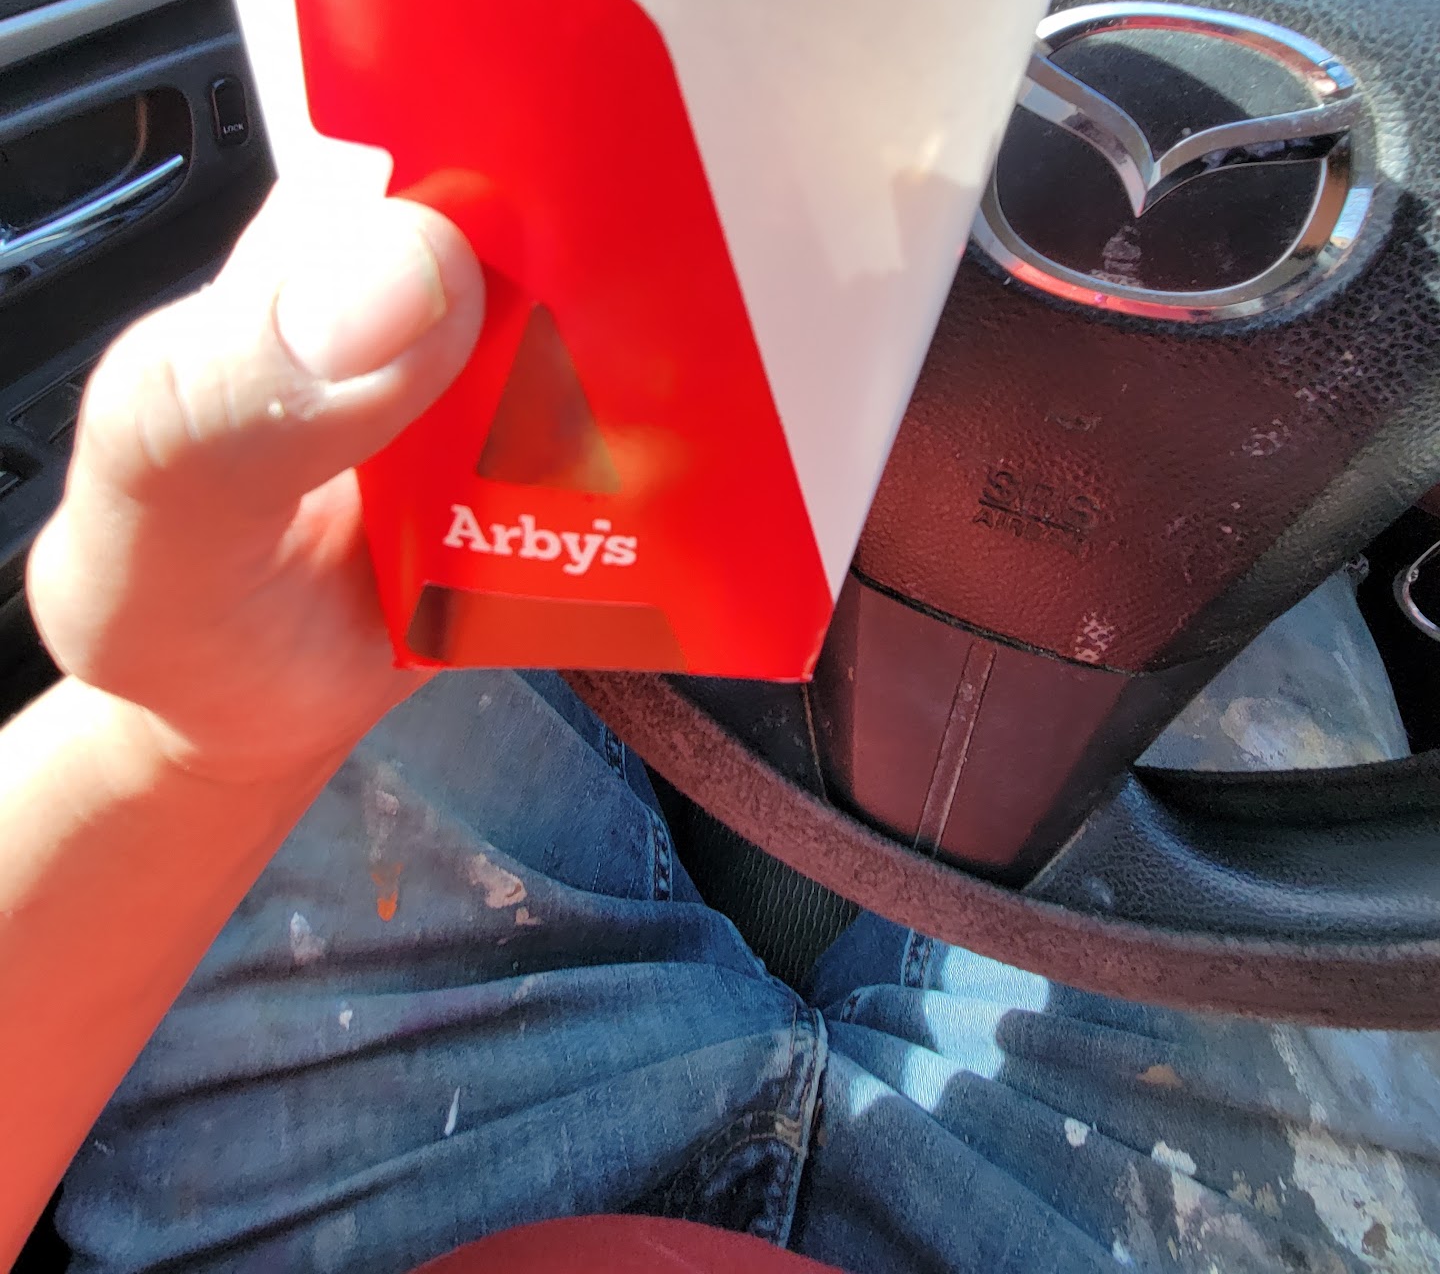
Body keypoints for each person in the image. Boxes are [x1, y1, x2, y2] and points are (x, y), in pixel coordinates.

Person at [3, 187, 1438, 1274]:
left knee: (413, 401)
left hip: (370, 1200)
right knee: (1211, 487)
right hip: (1085, 1227)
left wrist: (182, 752)